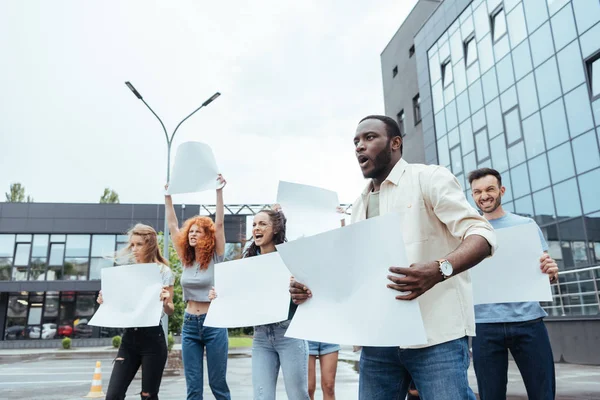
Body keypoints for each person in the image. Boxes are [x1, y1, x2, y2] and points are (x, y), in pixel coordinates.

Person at [290, 115, 497, 400]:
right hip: (379, 340)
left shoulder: (429, 178)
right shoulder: (360, 203)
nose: (360, 146)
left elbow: (482, 234)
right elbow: (355, 273)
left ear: (396, 143)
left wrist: (439, 270)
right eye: (356, 142)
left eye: (369, 138)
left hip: (436, 337)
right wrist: (311, 289)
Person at [468, 168, 558, 400]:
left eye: (489, 189)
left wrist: (551, 272)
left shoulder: (526, 225)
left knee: (543, 394)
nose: (484, 196)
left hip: (528, 322)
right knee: (491, 396)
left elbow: (546, 273)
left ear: (501, 190)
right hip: (485, 325)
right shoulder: (468, 231)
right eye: (477, 192)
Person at [211, 207, 310, 400]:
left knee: (298, 395)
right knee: (262, 397)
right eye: (254, 224)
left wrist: (298, 286)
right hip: (261, 337)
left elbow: (309, 293)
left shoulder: (290, 259)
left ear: (275, 229)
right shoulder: (247, 263)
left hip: (289, 334)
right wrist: (219, 296)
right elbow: (236, 297)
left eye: (262, 223)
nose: (256, 228)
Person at [165, 175, 230, 400]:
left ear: (207, 236)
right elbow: (173, 226)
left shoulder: (216, 256)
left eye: (197, 231)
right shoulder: (186, 258)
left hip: (214, 323)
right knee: (193, 388)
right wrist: (168, 197)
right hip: (190, 324)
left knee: (218, 384)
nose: (192, 233)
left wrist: (218, 191)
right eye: (190, 231)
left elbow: (220, 223)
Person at [97, 223, 175, 400]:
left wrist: (165, 301)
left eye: (139, 244)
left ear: (150, 245)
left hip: (153, 340)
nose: (134, 249)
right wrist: (104, 300)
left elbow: (170, 311)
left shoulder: (164, 271)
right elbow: (119, 305)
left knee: (148, 395)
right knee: (113, 396)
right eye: (132, 244)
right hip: (129, 340)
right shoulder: (126, 273)